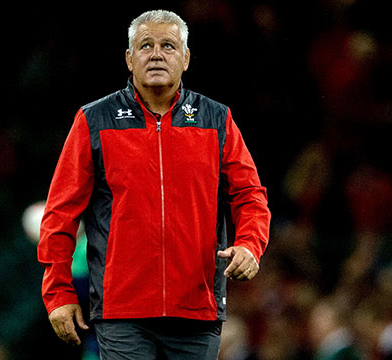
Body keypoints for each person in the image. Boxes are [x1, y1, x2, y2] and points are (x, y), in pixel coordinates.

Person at [37, 9, 271, 359]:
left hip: (197, 310)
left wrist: (250, 245)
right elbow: (60, 213)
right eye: (146, 45)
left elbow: (250, 195)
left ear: (186, 58)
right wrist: (59, 294)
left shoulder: (217, 119)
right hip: (121, 313)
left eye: (168, 46)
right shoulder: (93, 120)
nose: (157, 54)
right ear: (129, 59)